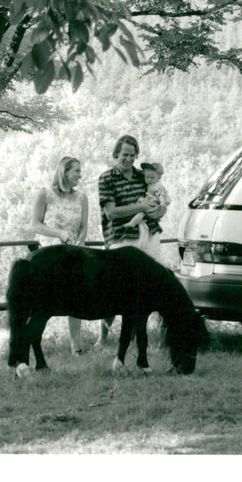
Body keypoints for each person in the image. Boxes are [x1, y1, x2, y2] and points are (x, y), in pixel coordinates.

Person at [96, 135, 167, 346]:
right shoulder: (106, 178)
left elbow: (158, 204)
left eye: (132, 155)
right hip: (122, 235)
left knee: (148, 285)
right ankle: (103, 339)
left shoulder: (143, 176)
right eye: (125, 155)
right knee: (115, 287)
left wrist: (158, 210)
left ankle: (138, 337)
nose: (128, 159)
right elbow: (111, 213)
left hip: (150, 233)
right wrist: (141, 207)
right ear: (116, 154)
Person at [30, 156, 88, 354]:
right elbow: (35, 224)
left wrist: (80, 240)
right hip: (50, 254)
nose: (80, 175)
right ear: (65, 172)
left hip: (74, 253)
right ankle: (34, 344)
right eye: (77, 171)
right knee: (44, 300)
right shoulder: (45, 194)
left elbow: (83, 227)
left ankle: (76, 346)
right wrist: (59, 233)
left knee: (78, 297)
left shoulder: (82, 197)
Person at [123, 162, 170, 253]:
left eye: (152, 178)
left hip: (154, 204)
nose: (148, 180)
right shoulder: (151, 185)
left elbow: (161, 195)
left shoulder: (157, 186)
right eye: (146, 177)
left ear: (158, 177)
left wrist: (163, 203)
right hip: (150, 200)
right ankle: (137, 220)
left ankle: (132, 222)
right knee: (141, 206)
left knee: (142, 212)